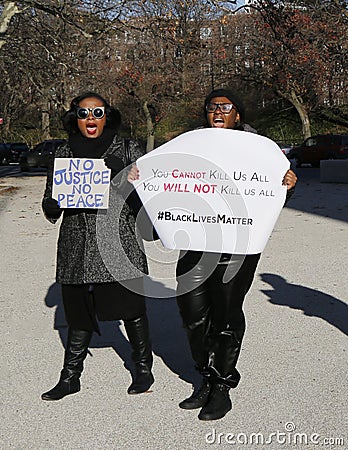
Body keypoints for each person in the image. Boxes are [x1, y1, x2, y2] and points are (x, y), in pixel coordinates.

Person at [175, 88, 298, 420]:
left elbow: (267, 194)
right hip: (195, 244)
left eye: (225, 107)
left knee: (226, 316)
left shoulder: (260, 152)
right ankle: (205, 373)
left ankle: (221, 387)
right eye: (212, 106)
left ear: (238, 115)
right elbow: (169, 183)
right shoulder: (189, 145)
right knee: (192, 317)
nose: (218, 111)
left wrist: (285, 182)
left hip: (237, 248)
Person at [41, 92, 154, 401]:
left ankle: (143, 368)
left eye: (97, 112)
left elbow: (147, 205)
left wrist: (122, 174)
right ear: (74, 118)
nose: (90, 119)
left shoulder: (128, 148)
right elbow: (51, 206)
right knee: (77, 313)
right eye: (83, 113)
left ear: (108, 116)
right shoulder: (63, 152)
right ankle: (70, 376)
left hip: (119, 242)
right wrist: (51, 205)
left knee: (130, 308)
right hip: (76, 243)